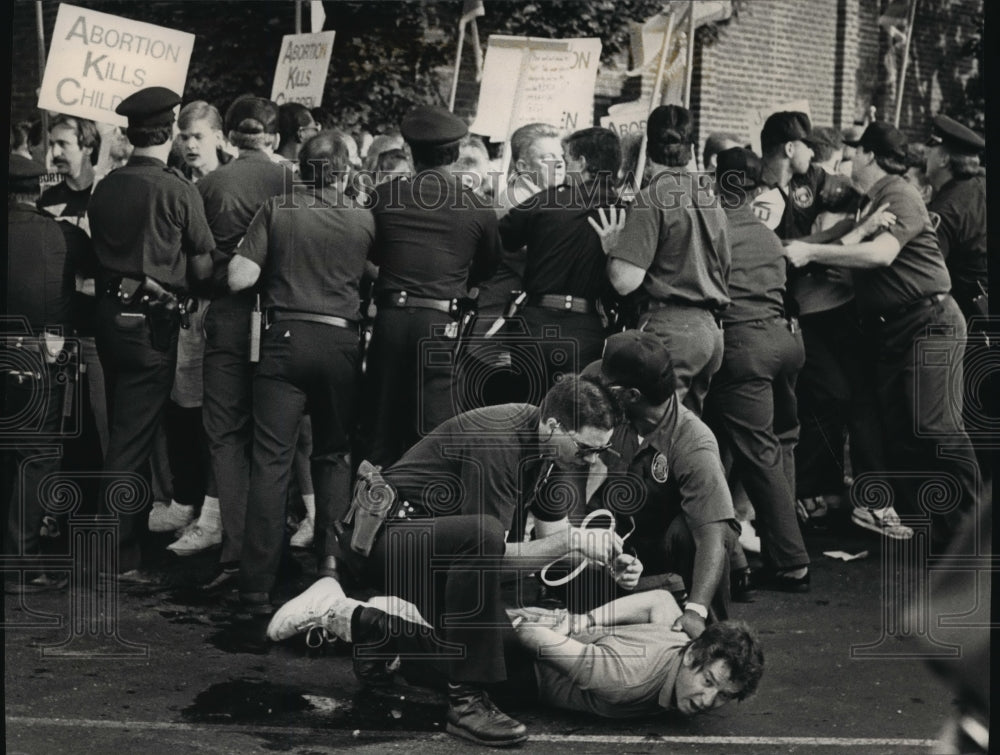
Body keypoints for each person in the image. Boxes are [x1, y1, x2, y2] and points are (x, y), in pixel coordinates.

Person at [268, 375, 642, 746]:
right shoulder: (498, 440)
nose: (591, 460)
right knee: (484, 541)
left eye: (599, 452)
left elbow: (551, 542)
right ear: (554, 426)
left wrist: (604, 560)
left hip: (440, 554)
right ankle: (465, 704)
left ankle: (374, 628)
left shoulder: (549, 447)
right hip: (385, 543)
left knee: (510, 659)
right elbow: (490, 556)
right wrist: (574, 540)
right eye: (585, 449)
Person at [784, 121, 981, 549]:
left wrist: (811, 252)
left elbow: (881, 253)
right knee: (906, 435)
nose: (849, 159)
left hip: (929, 323)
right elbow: (834, 236)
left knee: (936, 427)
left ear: (870, 156)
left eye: (856, 153)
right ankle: (944, 536)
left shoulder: (897, 193)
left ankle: (973, 532)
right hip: (898, 330)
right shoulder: (870, 200)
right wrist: (791, 247)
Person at [228, 132, 375, 621]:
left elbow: (239, 278)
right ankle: (330, 573)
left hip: (284, 340)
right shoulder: (363, 217)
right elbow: (376, 273)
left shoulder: (277, 209)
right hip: (342, 344)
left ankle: (255, 588)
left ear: (301, 169)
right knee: (333, 457)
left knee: (271, 460)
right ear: (346, 170)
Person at [281, 587, 763, 723]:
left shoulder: (683, 638)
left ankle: (397, 630)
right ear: (691, 658)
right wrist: (541, 624)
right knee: (458, 672)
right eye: (707, 683)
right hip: (530, 664)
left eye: (722, 695)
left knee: (424, 664)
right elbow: (534, 639)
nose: (707, 700)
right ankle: (348, 613)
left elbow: (659, 600)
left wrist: (585, 621)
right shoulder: (626, 679)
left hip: (550, 645)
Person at [86, 86, 215, 577]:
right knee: (131, 439)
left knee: (125, 428)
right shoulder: (177, 188)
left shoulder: (107, 187)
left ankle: (127, 540)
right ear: (171, 128)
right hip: (152, 321)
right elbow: (203, 269)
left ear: (130, 132)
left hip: (109, 318)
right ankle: (113, 554)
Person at [758, 112, 886, 534]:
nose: (815, 154)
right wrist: (844, 235)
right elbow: (776, 250)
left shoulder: (814, 180)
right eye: (807, 145)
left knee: (833, 398)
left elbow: (853, 203)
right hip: (778, 312)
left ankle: (819, 491)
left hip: (811, 309)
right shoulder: (758, 187)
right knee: (811, 402)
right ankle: (795, 497)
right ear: (789, 147)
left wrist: (850, 229)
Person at [362, 104, 501, 465]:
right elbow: (488, 268)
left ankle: (367, 511)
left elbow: (368, 253)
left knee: (378, 423)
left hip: (390, 319)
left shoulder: (383, 197)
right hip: (441, 324)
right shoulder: (478, 206)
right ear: (455, 154)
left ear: (410, 152)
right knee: (434, 428)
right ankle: (425, 510)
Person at [194, 95, 293, 585]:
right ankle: (269, 554)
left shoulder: (212, 184)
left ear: (229, 135)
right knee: (275, 439)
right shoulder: (292, 179)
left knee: (227, 434)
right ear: (272, 136)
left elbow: (198, 262)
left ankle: (236, 554)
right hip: (283, 318)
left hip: (231, 316)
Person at [586, 331, 744, 633]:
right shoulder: (610, 399)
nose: (598, 385)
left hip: (661, 550)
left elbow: (712, 535)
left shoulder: (692, 442)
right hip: (613, 545)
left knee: (692, 531)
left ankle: (713, 638)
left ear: (631, 395)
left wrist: (696, 611)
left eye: (608, 385)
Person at [704, 148, 810, 591]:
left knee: (754, 452)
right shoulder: (766, 233)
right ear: (756, 187)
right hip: (786, 344)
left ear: (717, 180)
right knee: (781, 443)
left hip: (744, 347)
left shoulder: (714, 229)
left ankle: (790, 562)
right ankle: (775, 551)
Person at [591, 105, 731, 416]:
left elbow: (624, 281)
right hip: (710, 332)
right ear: (691, 149)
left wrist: (614, 247)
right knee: (687, 438)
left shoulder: (652, 197)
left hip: (671, 331)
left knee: (655, 431)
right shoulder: (711, 199)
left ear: (646, 150)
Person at [3, 154, 83, 592]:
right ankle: (22, 565)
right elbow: (73, 291)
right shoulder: (58, 234)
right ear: (37, 190)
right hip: (33, 354)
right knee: (35, 457)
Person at [498, 127, 621, 396]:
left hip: (533, 325)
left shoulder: (546, 200)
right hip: (587, 330)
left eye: (566, 160)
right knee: (574, 419)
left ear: (583, 163)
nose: (562, 167)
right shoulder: (626, 211)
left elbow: (499, 239)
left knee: (523, 414)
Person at [35, 115, 109, 469]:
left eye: (63, 143)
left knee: (106, 422)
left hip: (101, 330)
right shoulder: (48, 201)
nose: (54, 152)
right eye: (51, 144)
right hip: (59, 332)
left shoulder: (108, 195)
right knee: (61, 428)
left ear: (88, 145)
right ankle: (55, 512)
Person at [924, 114, 986, 324]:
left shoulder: (945, 210)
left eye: (931, 147)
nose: (925, 152)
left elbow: (927, 275)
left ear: (944, 160)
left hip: (970, 318)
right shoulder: (982, 187)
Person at [174, 100, 231, 182]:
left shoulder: (237, 177)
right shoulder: (175, 182)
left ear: (218, 138)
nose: (190, 145)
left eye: (198, 137)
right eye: (184, 138)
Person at [274, 102, 319, 168]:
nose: (317, 134)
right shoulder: (293, 174)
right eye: (315, 129)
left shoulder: (268, 165)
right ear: (301, 133)